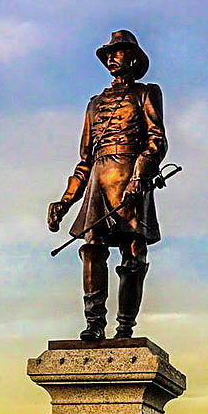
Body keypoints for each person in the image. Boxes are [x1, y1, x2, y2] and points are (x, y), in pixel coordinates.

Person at [47, 30, 168, 341]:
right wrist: (65, 201)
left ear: (134, 58)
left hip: (131, 178)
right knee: (92, 249)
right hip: (99, 183)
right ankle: (94, 323)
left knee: (133, 253)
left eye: (119, 52)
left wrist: (138, 177)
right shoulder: (94, 104)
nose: (113, 58)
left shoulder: (147, 93)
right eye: (109, 54)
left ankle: (125, 326)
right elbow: (84, 161)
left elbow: (156, 142)